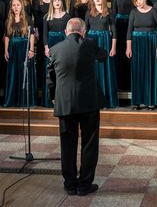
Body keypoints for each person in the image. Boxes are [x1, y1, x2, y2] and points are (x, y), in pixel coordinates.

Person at [47, 18, 107, 197]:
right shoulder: (89, 44)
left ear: (66, 32)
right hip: (88, 103)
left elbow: (50, 78)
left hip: (65, 103)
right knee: (89, 144)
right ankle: (84, 185)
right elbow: (103, 56)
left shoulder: (55, 49)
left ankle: (70, 184)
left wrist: (53, 98)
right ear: (83, 31)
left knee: (67, 144)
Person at [126, 0, 157, 110]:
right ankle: (137, 101)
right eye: (136, 0)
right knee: (138, 71)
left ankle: (151, 101)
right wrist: (128, 47)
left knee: (151, 71)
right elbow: (129, 31)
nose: (138, 2)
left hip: (151, 43)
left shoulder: (153, 11)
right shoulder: (133, 12)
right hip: (137, 43)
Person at [85, 0, 118, 109]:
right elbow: (85, 31)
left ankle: (106, 100)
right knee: (93, 71)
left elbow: (114, 32)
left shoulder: (109, 12)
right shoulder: (89, 12)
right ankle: (93, 100)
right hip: (92, 42)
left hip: (105, 42)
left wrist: (113, 47)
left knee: (106, 70)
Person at [4, 0, 37, 107]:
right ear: (11, 7)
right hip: (13, 49)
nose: (16, 7)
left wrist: (31, 49)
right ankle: (12, 100)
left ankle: (24, 100)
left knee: (24, 73)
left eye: (18, 5)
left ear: (21, 6)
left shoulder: (27, 18)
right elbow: (7, 36)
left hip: (24, 47)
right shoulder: (9, 20)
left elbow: (31, 34)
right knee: (13, 73)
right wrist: (6, 50)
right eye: (14, 5)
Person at [43, 0, 71, 107]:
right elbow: (44, 34)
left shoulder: (67, 16)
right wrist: (46, 47)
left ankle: (64, 98)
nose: (57, 2)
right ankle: (50, 98)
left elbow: (69, 33)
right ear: (52, 3)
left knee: (64, 71)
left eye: (59, 0)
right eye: (55, 0)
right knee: (51, 72)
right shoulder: (47, 17)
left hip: (63, 44)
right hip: (51, 45)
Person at [111, 0, 135, 93]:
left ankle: (131, 82)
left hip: (132, 24)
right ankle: (121, 83)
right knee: (120, 52)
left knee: (131, 52)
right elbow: (113, 12)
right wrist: (112, 27)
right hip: (119, 26)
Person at [33, 0, 52, 105]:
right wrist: (36, 30)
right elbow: (36, 17)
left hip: (53, 31)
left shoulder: (55, 1)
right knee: (41, 57)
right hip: (41, 31)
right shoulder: (38, 2)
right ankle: (41, 82)